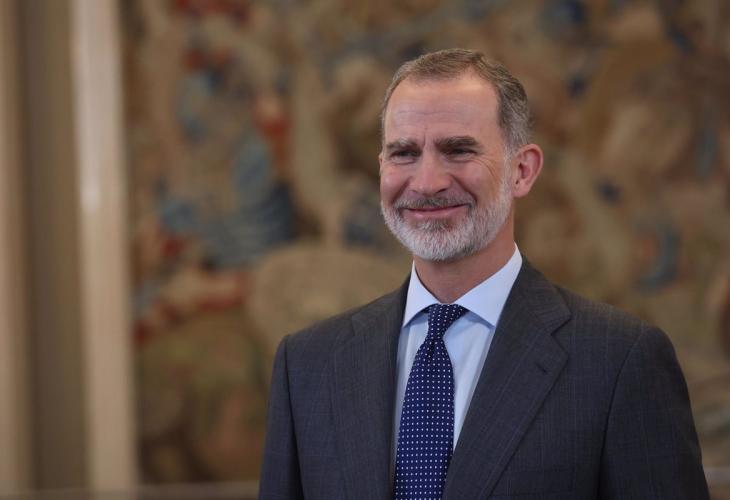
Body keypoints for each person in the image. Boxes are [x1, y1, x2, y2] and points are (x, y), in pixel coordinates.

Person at [258, 48, 709, 500]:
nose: (427, 182)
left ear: (522, 171)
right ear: (381, 169)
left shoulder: (620, 361)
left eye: (458, 150)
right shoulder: (308, 365)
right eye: (404, 153)